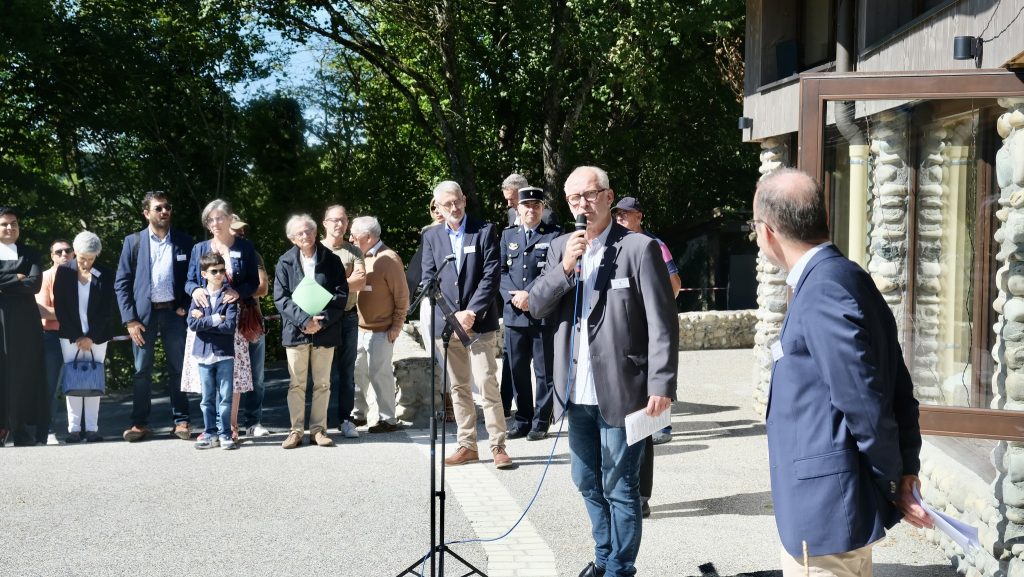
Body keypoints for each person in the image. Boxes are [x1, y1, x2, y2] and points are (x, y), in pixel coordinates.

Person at [752, 168, 932, 576]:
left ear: (767, 231)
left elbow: (864, 401)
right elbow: (897, 385)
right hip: (833, 510)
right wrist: (904, 469)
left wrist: (894, 481)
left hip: (826, 516)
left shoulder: (823, 288)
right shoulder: (847, 276)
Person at [529, 166, 678, 577]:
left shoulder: (639, 248)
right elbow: (537, 304)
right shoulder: (560, 246)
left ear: (609, 197)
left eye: (590, 195)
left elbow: (663, 322)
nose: (583, 204)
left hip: (624, 390)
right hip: (574, 392)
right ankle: (604, 556)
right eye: (574, 198)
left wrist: (662, 383)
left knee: (621, 486)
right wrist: (565, 267)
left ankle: (619, 569)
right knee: (585, 480)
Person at [421, 180, 511, 469]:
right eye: (447, 203)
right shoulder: (431, 236)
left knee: (486, 382)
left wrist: (471, 311)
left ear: (464, 199)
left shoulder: (484, 230)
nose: (454, 207)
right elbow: (428, 280)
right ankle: (467, 445)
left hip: (479, 323)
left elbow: (491, 276)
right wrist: (454, 316)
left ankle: (498, 446)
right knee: (459, 386)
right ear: (437, 207)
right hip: (447, 326)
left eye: (457, 201)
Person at [611, 196, 683, 518]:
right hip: (618, 346)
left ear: (639, 216)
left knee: (644, 428)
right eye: (617, 214)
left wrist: (653, 301)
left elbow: (675, 284)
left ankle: (641, 496)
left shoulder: (655, 245)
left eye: (626, 214)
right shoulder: (611, 245)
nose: (620, 219)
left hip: (647, 337)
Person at [114, 191, 195, 442]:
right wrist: (130, 320)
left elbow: (195, 277)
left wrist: (186, 305)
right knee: (141, 370)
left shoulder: (184, 241)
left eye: (167, 206)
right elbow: (121, 283)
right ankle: (139, 424)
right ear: (146, 213)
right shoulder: (134, 242)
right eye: (158, 208)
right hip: (142, 318)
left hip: (174, 314)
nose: (164, 211)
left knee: (178, 368)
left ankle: (181, 421)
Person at [182, 199, 259, 440]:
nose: (215, 223)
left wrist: (238, 292)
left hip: (231, 321)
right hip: (203, 320)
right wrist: (195, 290)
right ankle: (211, 428)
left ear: (229, 219)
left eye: (219, 218)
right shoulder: (199, 249)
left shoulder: (244, 247)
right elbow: (189, 281)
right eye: (210, 219)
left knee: (232, 375)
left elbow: (254, 282)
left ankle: (231, 426)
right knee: (207, 373)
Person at [274, 214, 348, 449]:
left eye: (309, 231)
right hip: (296, 331)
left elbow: (341, 295)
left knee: (322, 383)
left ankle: (318, 430)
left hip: (325, 330)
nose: (305, 236)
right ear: (292, 238)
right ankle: (295, 431)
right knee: (296, 384)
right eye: (300, 233)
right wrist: (304, 320)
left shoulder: (332, 260)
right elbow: (280, 298)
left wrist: (321, 321)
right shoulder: (285, 262)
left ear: (316, 233)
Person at [499, 187, 560, 441]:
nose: (531, 210)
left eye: (537, 205)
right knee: (517, 370)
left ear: (542, 208)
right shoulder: (508, 235)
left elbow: (552, 272)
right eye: (527, 206)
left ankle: (541, 421)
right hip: (514, 314)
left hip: (541, 313)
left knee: (544, 372)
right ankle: (523, 419)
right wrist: (514, 297)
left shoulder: (554, 235)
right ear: (518, 209)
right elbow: (500, 271)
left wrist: (529, 295)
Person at [54, 231, 115, 443]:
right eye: (82, 258)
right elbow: (60, 307)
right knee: (73, 379)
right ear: (75, 252)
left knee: (93, 379)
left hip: (98, 336)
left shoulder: (105, 273)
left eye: (91, 259)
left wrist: (91, 337)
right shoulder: (64, 271)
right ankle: (73, 429)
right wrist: (77, 336)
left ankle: (91, 429)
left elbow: (107, 309)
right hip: (70, 335)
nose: (86, 263)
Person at [349, 216, 409, 433]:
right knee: (358, 373)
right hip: (360, 328)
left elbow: (402, 295)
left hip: (382, 330)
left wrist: (397, 325)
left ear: (367, 237)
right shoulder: (359, 257)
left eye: (354, 235)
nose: (350, 239)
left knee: (380, 375)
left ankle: (388, 419)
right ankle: (358, 415)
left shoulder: (388, 259)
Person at [0, 206, 47, 447]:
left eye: (14, 223)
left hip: (24, 321)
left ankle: (19, 428)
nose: (10, 228)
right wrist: (17, 277)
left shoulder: (30, 253)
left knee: (23, 372)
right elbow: (24, 282)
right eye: (4, 224)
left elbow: (34, 284)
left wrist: (4, 283)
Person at [187, 252, 239, 450]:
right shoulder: (198, 296)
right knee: (207, 398)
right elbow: (192, 324)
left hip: (224, 353)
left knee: (225, 398)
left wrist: (204, 322)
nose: (219, 274)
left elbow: (230, 327)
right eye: (214, 271)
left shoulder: (230, 297)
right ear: (204, 274)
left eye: (222, 270)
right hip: (203, 353)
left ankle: (225, 434)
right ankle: (210, 433)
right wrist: (217, 319)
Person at [322, 205, 366, 436]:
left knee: (347, 372)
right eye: (334, 220)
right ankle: (319, 421)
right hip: (323, 317)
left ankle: (345, 419)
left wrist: (331, 286)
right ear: (325, 223)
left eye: (343, 220)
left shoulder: (354, 251)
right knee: (321, 372)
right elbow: (311, 285)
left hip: (348, 316)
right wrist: (345, 283)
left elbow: (360, 282)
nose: (339, 224)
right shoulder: (317, 250)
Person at [230, 216, 271, 438]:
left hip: (251, 321)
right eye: (235, 231)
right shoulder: (212, 254)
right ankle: (225, 424)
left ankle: (253, 422)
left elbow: (263, 288)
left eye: (242, 230)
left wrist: (235, 291)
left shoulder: (253, 255)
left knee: (256, 376)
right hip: (224, 324)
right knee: (225, 375)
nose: (241, 234)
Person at [35, 239, 76, 445]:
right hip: (52, 338)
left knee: (79, 386)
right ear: (52, 256)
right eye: (58, 252)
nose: (64, 255)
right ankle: (46, 433)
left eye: (68, 251)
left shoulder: (82, 276)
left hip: (79, 338)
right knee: (50, 388)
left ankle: (80, 430)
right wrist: (73, 316)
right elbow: (42, 310)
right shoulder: (45, 277)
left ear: (74, 253)